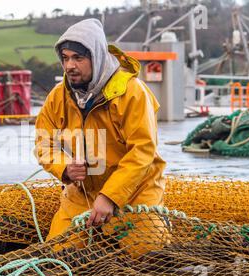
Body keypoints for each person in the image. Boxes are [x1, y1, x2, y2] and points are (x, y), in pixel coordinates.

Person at [34, 18, 167, 243]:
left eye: (78, 57)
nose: (69, 66)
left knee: (148, 254)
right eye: (65, 58)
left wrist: (110, 197)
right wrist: (64, 168)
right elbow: (43, 142)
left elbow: (142, 152)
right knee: (57, 258)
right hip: (81, 197)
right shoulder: (58, 96)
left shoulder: (133, 93)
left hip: (135, 195)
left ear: (96, 56)